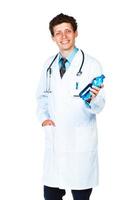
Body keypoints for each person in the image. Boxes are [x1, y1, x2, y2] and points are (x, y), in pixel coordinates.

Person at [36, 13, 105, 200]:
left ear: (76, 33)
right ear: (53, 37)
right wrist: (44, 120)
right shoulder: (48, 66)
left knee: (81, 196)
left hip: (79, 144)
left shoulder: (91, 65)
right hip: (55, 143)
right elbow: (41, 97)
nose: (63, 36)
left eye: (68, 31)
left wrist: (93, 99)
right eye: (58, 33)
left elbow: (99, 106)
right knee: (50, 195)